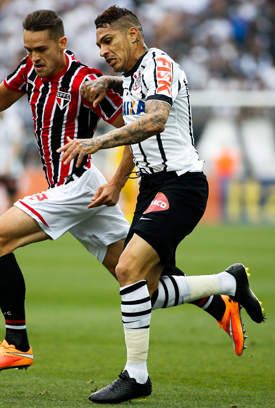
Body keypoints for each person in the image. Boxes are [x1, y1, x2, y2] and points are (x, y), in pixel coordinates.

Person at [0, 9, 246, 373]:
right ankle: (218, 302)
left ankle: (16, 342)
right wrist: (111, 185)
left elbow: (136, 126)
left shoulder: (86, 80)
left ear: (62, 44)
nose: (35, 56)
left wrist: (113, 175)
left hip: (80, 185)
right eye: (28, 48)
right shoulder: (29, 71)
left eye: (42, 49)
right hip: (86, 193)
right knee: (138, 280)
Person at [58, 6, 265, 404]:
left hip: (182, 185)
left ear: (134, 34)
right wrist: (118, 180)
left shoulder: (161, 64)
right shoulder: (135, 76)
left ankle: (136, 376)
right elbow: (139, 113)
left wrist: (95, 142)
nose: (102, 49)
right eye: (99, 43)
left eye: (109, 41)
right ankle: (228, 282)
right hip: (153, 187)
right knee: (144, 291)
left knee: (127, 268)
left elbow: (154, 120)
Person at [0, 108, 25, 211]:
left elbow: (17, 144)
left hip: (10, 164)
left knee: (12, 194)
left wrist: (9, 164)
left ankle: (11, 219)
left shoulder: (14, 120)